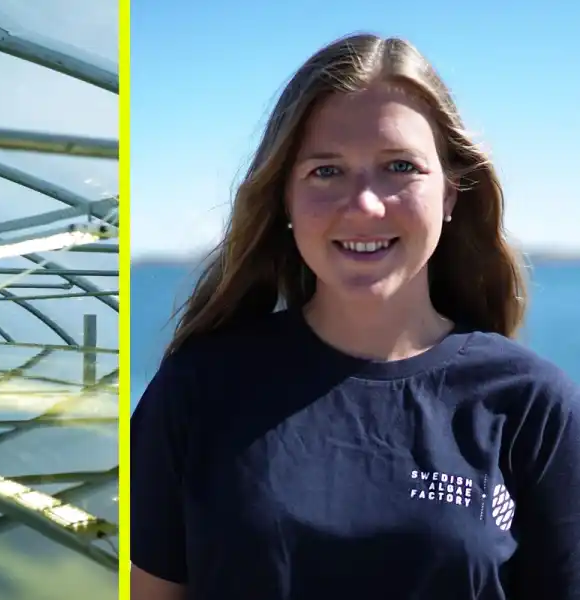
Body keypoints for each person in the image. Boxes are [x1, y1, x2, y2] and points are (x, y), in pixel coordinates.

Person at [130, 32, 580, 600]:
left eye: (400, 166)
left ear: (450, 192)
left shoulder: (533, 405)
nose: (365, 204)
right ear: (284, 197)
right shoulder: (197, 390)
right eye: (327, 171)